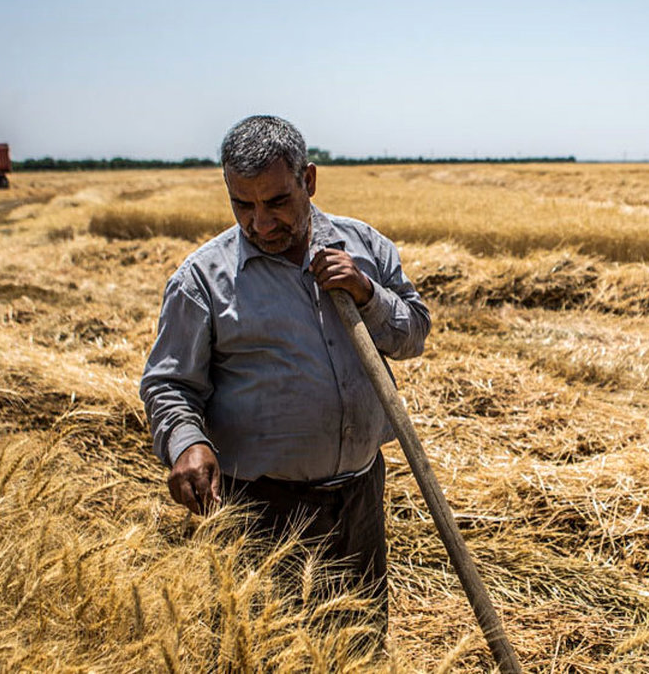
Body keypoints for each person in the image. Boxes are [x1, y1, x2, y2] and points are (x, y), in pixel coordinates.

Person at [139, 115, 431, 641]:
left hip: (360, 496)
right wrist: (187, 442)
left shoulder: (364, 247)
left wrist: (367, 294)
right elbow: (169, 384)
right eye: (242, 205)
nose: (260, 223)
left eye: (276, 202)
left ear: (309, 180)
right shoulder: (202, 279)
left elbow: (412, 336)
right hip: (262, 510)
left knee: (358, 642)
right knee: (268, 649)